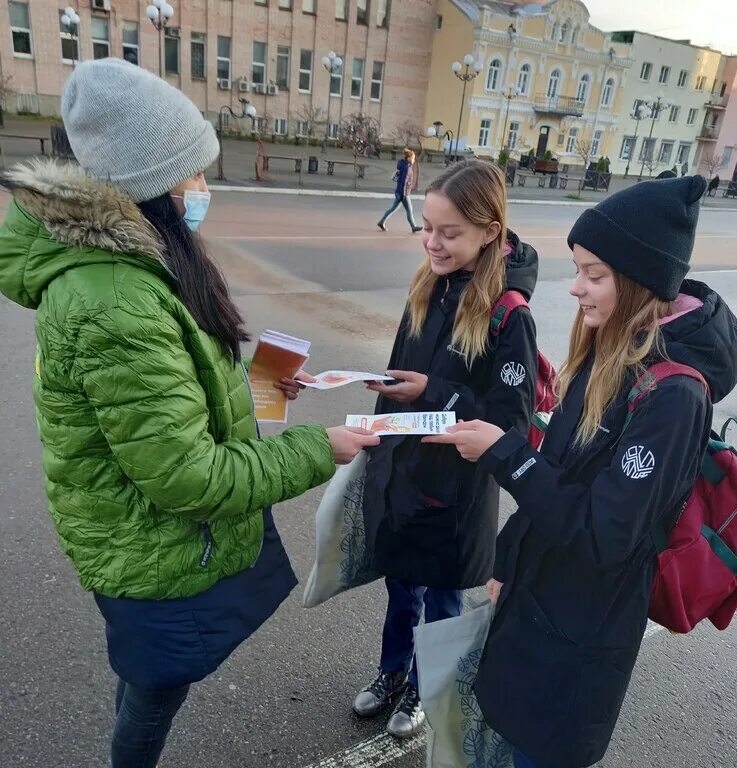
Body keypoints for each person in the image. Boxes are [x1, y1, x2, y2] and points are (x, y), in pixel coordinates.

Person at [0, 58, 379, 768]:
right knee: (155, 688)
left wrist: (258, 386)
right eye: (192, 175)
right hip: (149, 545)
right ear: (149, 186)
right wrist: (318, 448)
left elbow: (164, 394)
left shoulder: (133, 269)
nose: (202, 189)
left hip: (138, 533)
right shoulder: (113, 297)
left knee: (148, 676)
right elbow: (184, 475)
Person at [425, 175, 737, 768]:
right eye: (578, 270)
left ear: (642, 280)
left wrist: (504, 452)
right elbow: (557, 470)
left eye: (594, 275)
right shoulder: (607, 347)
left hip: (578, 642)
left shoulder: (675, 396)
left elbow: (604, 535)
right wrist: (508, 563)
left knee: (534, 753)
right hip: (536, 603)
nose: (575, 289)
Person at [354, 160, 539, 738]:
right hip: (401, 474)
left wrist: (434, 391)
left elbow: (510, 421)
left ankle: (426, 689)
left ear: (490, 231)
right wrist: (375, 436)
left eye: (449, 232)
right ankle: (391, 672)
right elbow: (400, 374)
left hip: (454, 493)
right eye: (427, 227)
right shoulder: (427, 284)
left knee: (440, 600)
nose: (432, 242)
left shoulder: (508, 314)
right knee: (398, 587)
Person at [378, 147, 422, 233]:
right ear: (408, 158)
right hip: (403, 193)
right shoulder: (407, 168)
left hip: (399, 192)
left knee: (392, 209)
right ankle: (413, 227)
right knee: (409, 210)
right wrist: (403, 194)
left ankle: (381, 222)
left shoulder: (404, 165)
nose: (413, 160)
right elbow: (403, 182)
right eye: (413, 158)